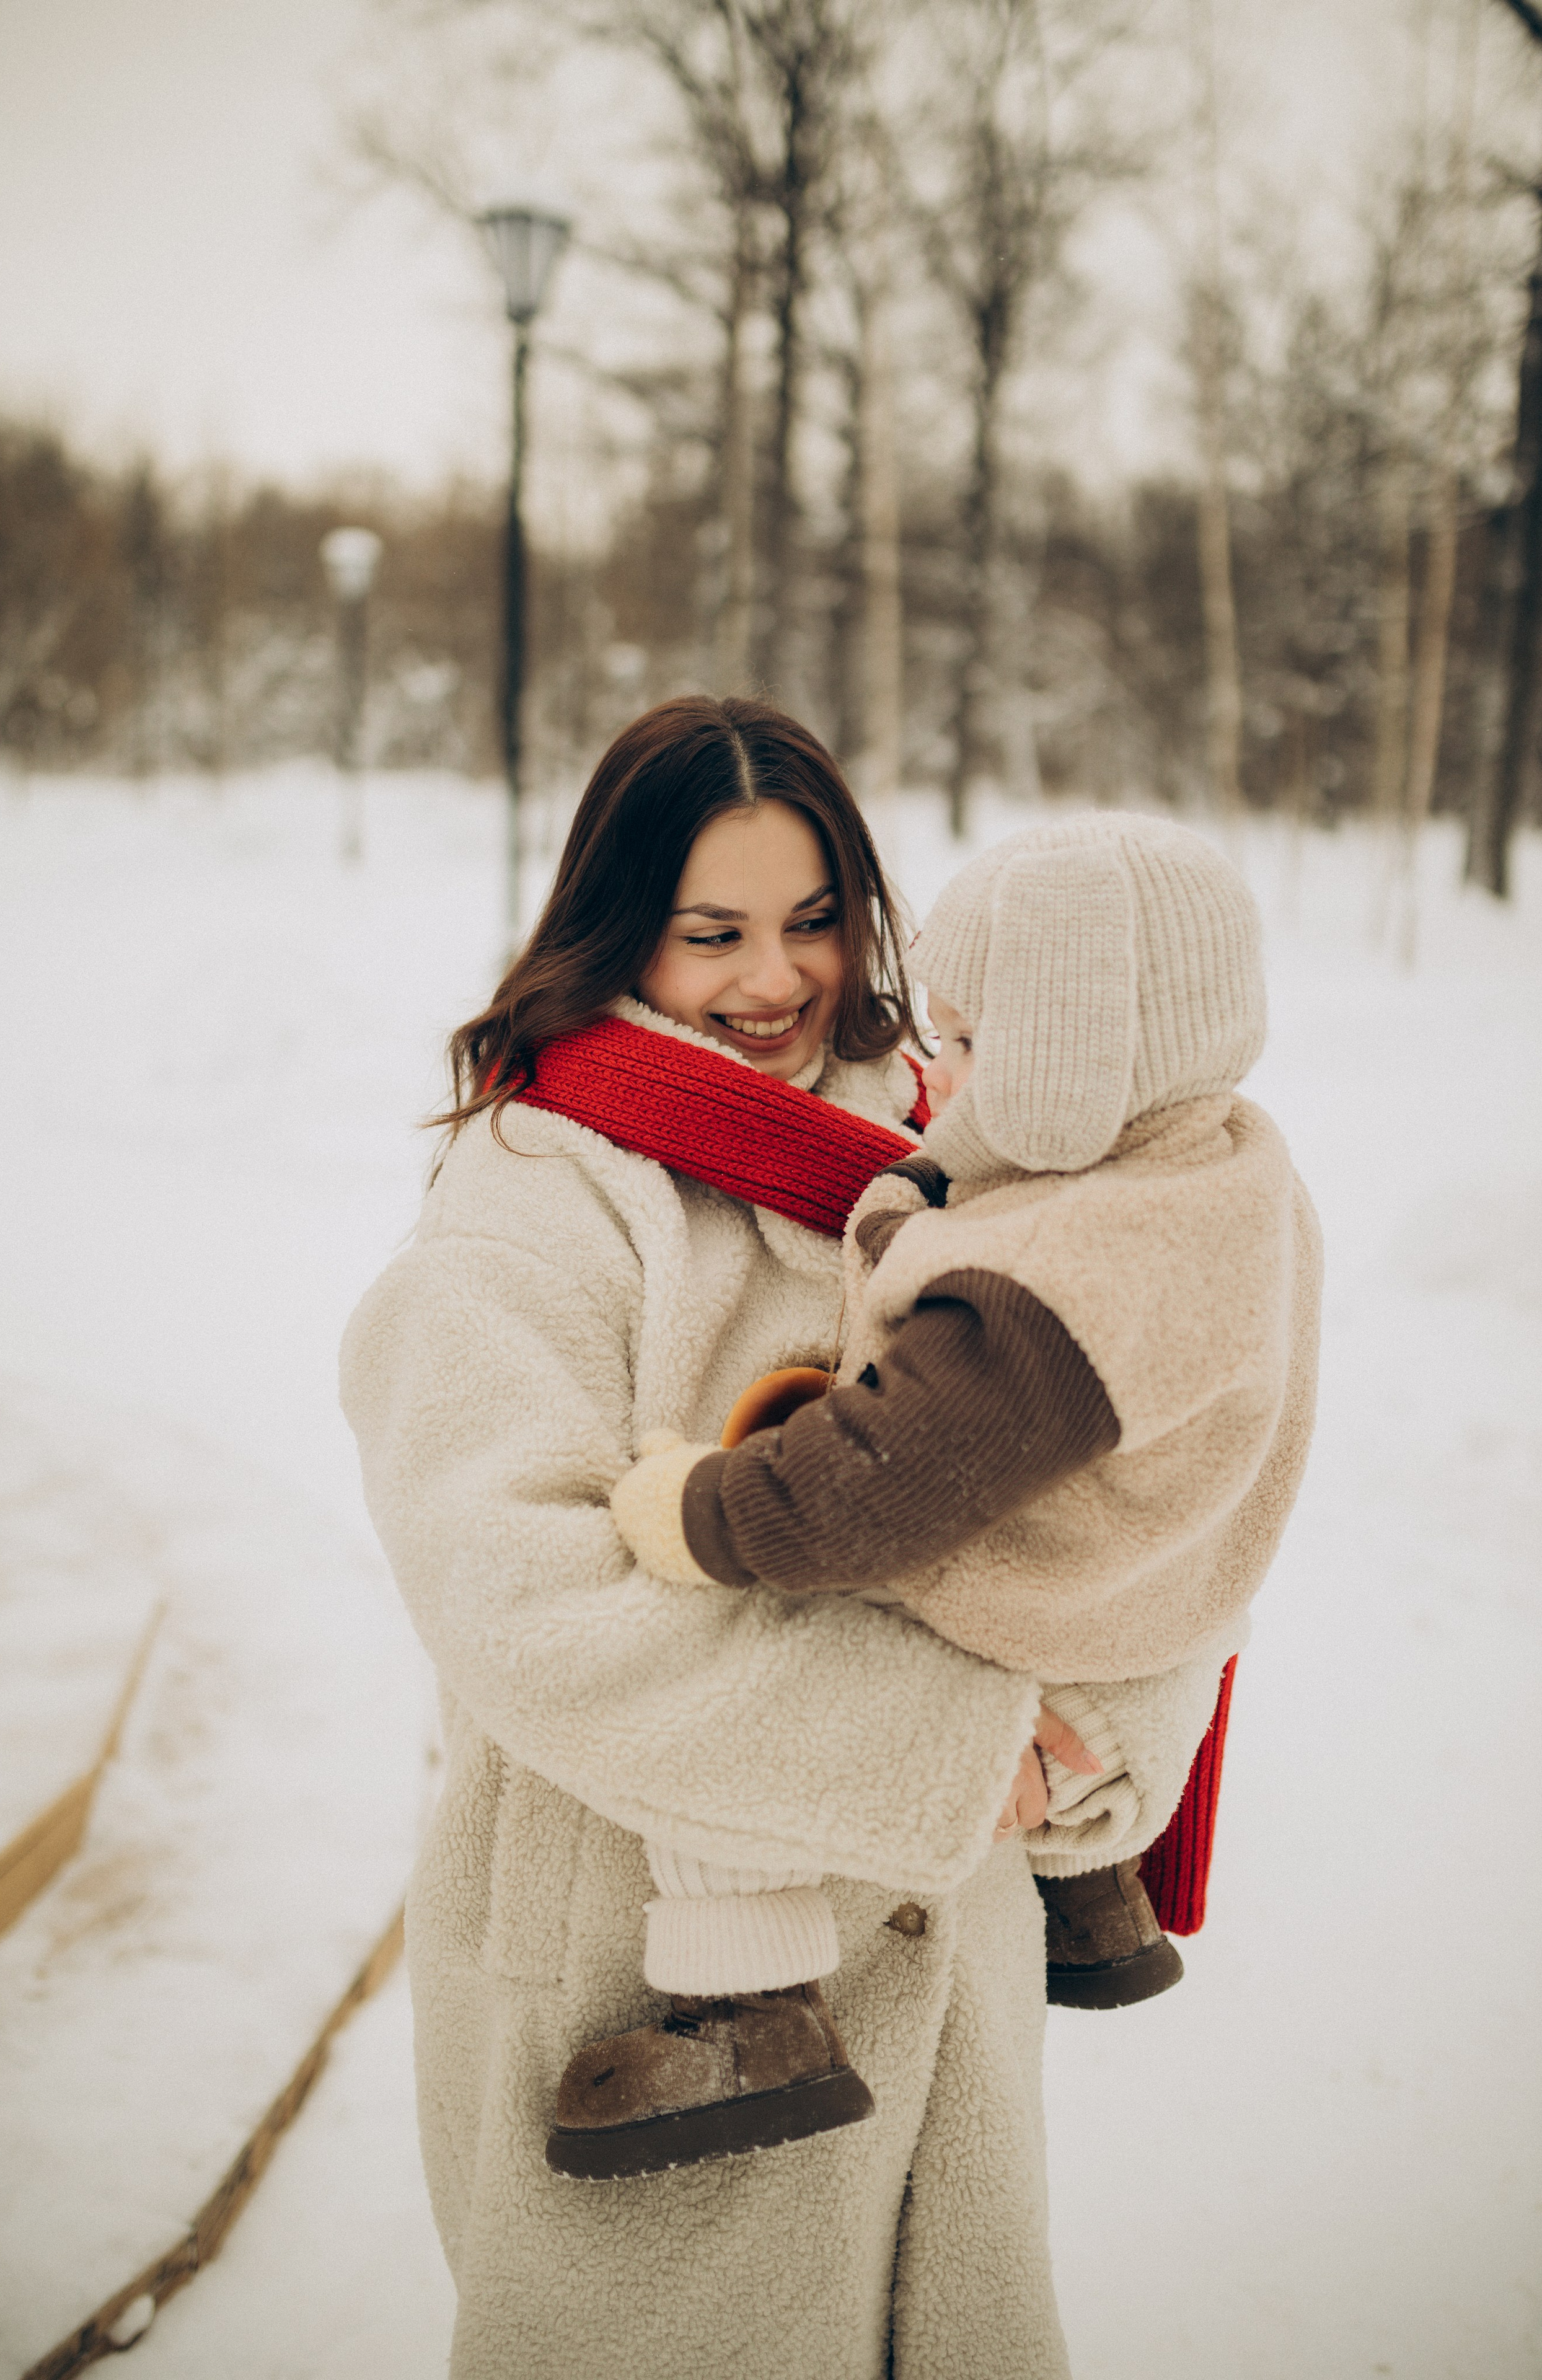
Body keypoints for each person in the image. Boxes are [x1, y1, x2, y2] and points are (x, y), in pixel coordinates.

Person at [340, 697, 1232, 2380]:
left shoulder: (954, 1152)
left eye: (815, 920)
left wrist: (1098, 1744)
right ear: (619, 932)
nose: (775, 979)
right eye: (714, 933)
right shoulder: (537, 1196)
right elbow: (518, 1594)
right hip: (641, 1992)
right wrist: (938, 1749)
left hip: (935, 2006)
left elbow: (1138, 1484)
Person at [578, 813, 1322, 2175]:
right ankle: (1089, 1901)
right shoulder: (1218, 1162)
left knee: (748, 1700)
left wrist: (702, 1510)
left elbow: (877, 1487)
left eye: (973, 1046)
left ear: (1086, 1059)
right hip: (1151, 1580)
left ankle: (747, 2015)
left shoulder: (1059, 1280)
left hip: (1027, 1584)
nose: (941, 1073)